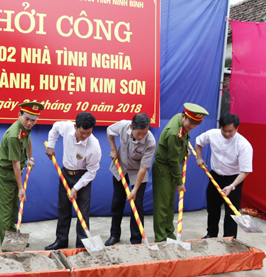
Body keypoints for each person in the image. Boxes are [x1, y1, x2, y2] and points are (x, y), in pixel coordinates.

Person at [152, 103, 208, 242]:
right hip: (164, 168)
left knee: (170, 204)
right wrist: (179, 183)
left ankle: (169, 234)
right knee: (162, 206)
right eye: (191, 124)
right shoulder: (174, 132)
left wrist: (184, 152)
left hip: (172, 166)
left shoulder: (181, 120)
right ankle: (160, 238)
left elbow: (181, 144)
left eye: (196, 125)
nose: (192, 127)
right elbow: (172, 160)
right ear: (184, 116)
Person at [45, 112, 102, 250]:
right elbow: (55, 127)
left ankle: (81, 245)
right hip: (65, 173)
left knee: (82, 212)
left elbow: (91, 172)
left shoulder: (94, 146)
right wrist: (51, 146)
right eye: (82, 132)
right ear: (76, 126)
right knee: (63, 208)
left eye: (88, 133)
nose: (85, 136)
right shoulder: (67, 127)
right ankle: (61, 240)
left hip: (83, 177)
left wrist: (76, 188)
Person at [0, 101, 44, 247]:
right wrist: (21, 187)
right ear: (19, 115)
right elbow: (15, 164)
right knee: (6, 211)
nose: (29, 123)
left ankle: (12, 235)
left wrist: (30, 158)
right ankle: (8, 247)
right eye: (26, 118)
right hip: (6, 175)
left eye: (33, 120)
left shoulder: (25, 129)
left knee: (14, 208)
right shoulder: (14, 135)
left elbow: (28, 140)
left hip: (16, 173)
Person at [195, 113, 253, 238]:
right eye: (224, 130)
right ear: (220, 127)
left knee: (231, 212)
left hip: (234, 179)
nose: (227, 134)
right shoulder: (213, 134)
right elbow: (198, 142)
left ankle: (229, 239)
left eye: (230, 131)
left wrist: (231, 186)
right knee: (212, 208)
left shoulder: (244, 145)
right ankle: (211, 234)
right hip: (215, 176)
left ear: (237, 128)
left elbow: (245, 171)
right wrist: (199, 158)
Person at [105, 113, 156, 246]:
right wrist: (113, 149)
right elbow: (109, 131)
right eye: (139, 133)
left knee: (137, 205)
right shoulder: (123, 126)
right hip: (120, 169)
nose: (142, 136)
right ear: (131, 127)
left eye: (145, 133)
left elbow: (143, 168)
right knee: (117, 203)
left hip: (137, 173)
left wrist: (135, 190)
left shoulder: (150, 142)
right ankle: (114, 235)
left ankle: (136, 240)